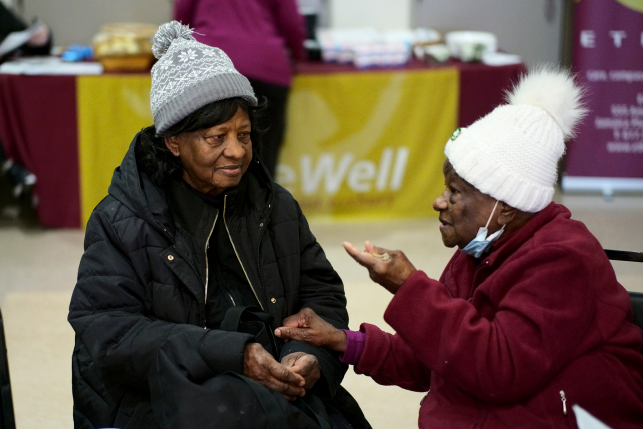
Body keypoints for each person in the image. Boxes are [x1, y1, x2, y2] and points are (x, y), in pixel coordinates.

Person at [275, 67, 643, 428]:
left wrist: (409, 287)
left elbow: (497, 369)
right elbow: (441, 355)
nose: (439, 202)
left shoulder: (562, 260)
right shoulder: (479, 249)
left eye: (455, 192)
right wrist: (342, 340)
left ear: (507, 206)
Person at [68, 22, 369, 429]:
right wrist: (232, 354)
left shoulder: (273, 204)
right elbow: (109, 334)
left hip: (271, 390)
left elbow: (321, 291)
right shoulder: (122, 220)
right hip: (160, 402)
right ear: (173, 141)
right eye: (216, 137)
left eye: (243, 134)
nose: (236, 151)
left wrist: (307, 353)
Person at [173, 0, 306, 178]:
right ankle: (259, 204)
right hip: (264, 65)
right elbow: (292, 23)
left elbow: (182, 14)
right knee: (263, 159)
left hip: (207, 65)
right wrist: (300, 56)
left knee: (204, 154)